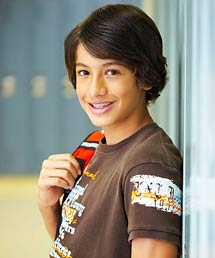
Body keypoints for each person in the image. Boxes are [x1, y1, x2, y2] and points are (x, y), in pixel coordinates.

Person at [38, 4, 182, 258]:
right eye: (84, 72)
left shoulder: (149, 168)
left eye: (112, 72)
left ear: (145, 77)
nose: (94, 90)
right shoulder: (94, 145)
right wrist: (49, 206)